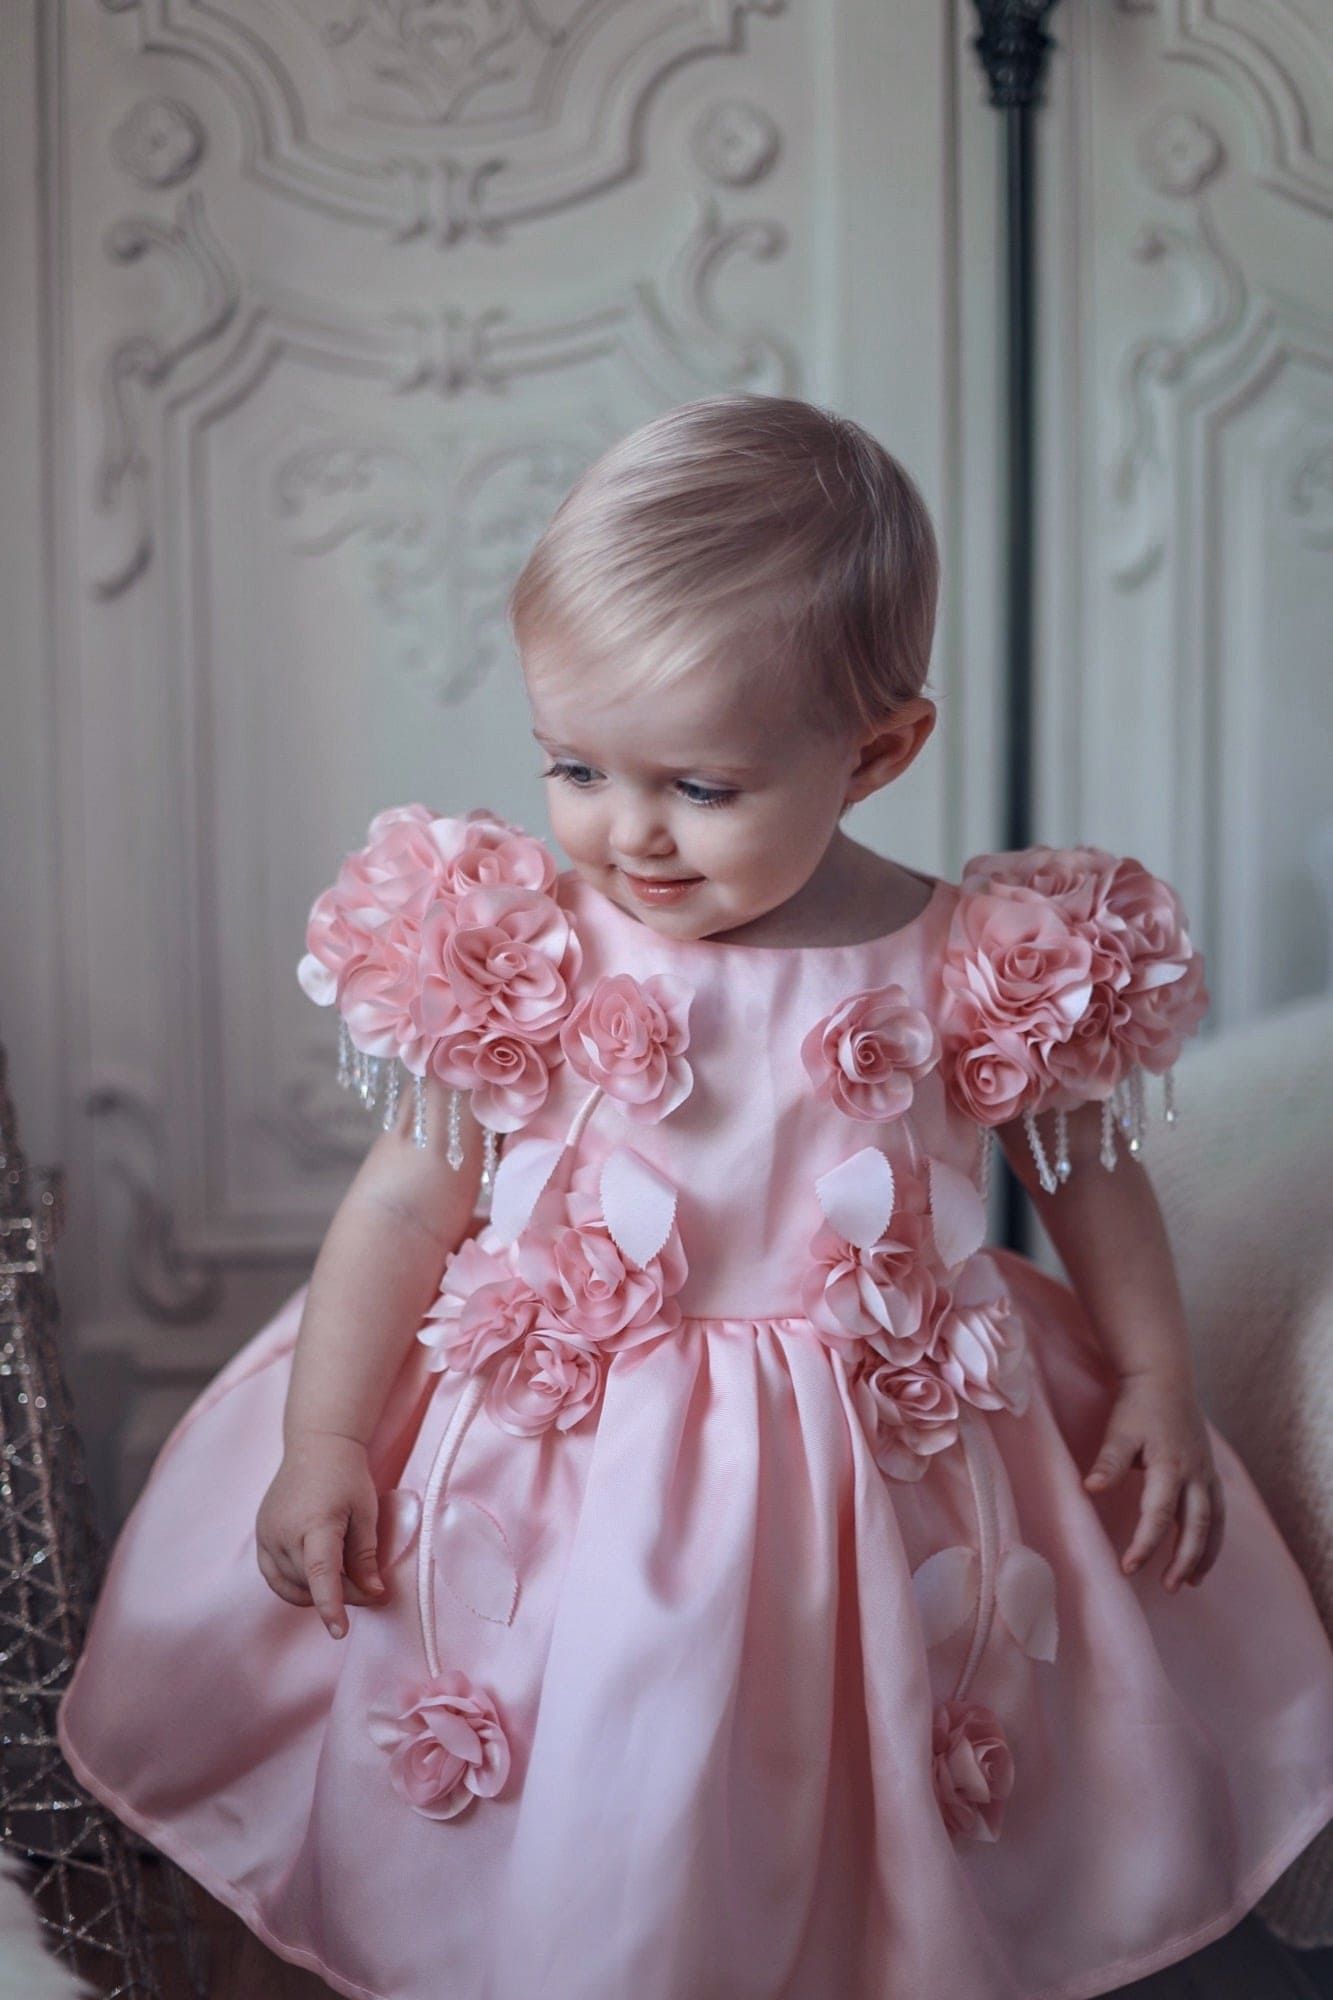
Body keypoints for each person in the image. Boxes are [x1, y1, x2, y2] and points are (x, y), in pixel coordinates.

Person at [57, 395, 1333, 2000]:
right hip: (555, 1450)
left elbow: (1084, 1180)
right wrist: (323, 1439)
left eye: (701, 789)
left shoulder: (971, 960)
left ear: (877, 751)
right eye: (575, 768)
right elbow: (402, 1209)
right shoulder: (527, 942)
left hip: (867, 1465)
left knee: (820, 1777)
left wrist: (1150, 1377)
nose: (625, 835)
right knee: (588, 1774)